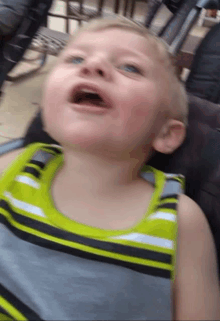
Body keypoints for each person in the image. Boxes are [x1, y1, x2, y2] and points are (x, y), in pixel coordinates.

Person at [0, 15, 219, 321]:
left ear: (166, 133)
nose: (92, 66)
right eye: (75, 58)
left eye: (130, 67)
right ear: (46, 114)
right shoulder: (11, 168)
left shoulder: (179, 221)